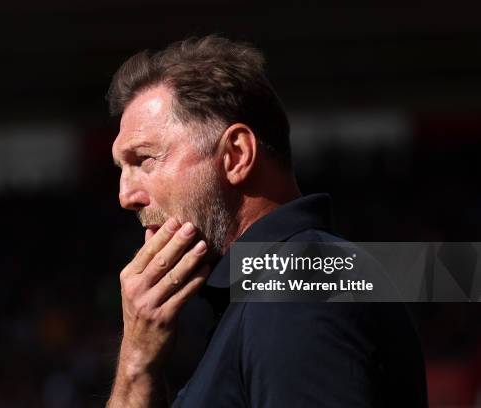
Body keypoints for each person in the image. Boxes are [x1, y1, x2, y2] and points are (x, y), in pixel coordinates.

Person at [106, 35, 428, 407]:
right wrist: (136, 365)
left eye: (144, 160)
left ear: (236, 155)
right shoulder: (267, 287)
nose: (126, 196)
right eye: (121, 168)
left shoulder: (301, 286)